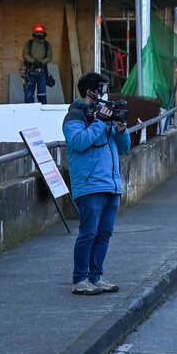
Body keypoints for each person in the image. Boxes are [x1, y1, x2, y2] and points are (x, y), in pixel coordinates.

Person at [63, 72, 131, 295]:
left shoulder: (102, 115)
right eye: (101, 90)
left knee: (104, 234)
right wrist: (100, 122)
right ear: (90, 91)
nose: (104, 95)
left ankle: (96, 276)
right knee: (88, 233)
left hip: (111, 185)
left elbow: (124, 147)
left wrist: (121, 130)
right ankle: (80, 279)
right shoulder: (75, 116)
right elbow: (78, 142)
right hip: (90, 185)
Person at [22, 24, 53, 104]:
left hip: (42, 72)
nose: (39, 34)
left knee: (42, 94)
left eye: (41, 33)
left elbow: (49, 57)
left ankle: (43, 112)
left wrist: (41, 63)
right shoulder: (29, 43)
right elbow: (25, 55)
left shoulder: (47, 45)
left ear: (44, 34)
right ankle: (28, 111)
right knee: (29, 94)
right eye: (37, 33)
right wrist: (34, 62)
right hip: (30, 71)